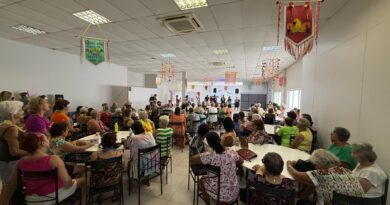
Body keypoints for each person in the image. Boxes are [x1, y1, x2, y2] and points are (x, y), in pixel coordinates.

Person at [15, 132, 84, 204]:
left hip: (30, 199)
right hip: (52, 196)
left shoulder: (20, 161)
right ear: (43, 143)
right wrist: (72, 181)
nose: (48, 140)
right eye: (46, 138)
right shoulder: (53, 159)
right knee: (83, 180)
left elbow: (18, 182)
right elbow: (67, 182)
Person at [287, 149, 364, 205]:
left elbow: (295, 174)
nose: (315, 168)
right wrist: (302, 196)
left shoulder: (323, 173)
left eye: (315, 165)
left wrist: (289, 164)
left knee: (301, 203)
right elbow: (314, 184)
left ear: (320, 164)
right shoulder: (346, 170)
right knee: (302, 201)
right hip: (355, 202)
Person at [190, 132, 244, 204]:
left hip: (219, 195)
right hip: (234, 193)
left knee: (202, 180)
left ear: (209, 144)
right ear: (220, 140)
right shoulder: (231, 153)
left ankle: (208, 202)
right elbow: (241, 161)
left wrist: (204, 153)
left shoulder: (210, 156)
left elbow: (192, 160)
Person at [0, 101, 27, 204]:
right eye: (20, 110)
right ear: (12, 113)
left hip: (5, 162)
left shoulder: (5, 125)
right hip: (10, 163)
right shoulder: (11, 129)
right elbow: (14, 151)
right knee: (8, 191)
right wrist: (33, 152)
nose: (22, 111)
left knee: (6, 191)